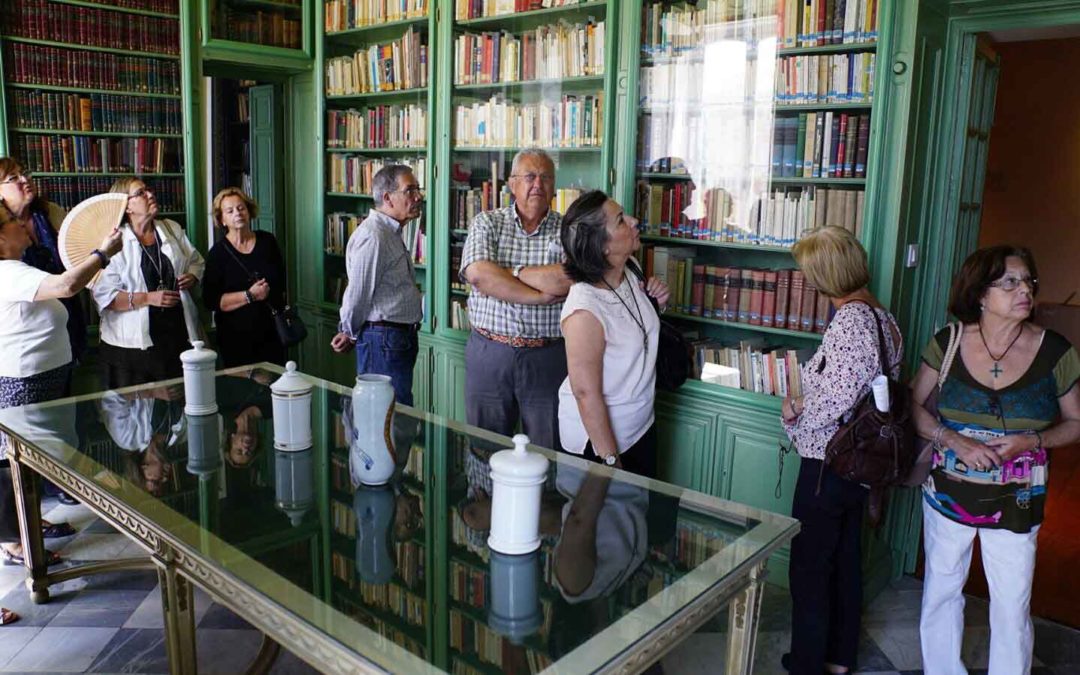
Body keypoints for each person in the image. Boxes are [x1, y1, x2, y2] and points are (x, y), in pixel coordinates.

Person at [912, 246, 1080, 674]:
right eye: (1010, 282)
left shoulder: (1055, 352)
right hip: (948, 495)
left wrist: (1033, 440)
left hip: (1017, 501)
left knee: (1011, 604)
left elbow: (1076, 422)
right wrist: (951, 438)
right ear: (980, 294)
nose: (1024, 290)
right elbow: (912, 406)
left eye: (1028, 281)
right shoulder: (947, 343)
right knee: (942, 591)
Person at [780, 226, 902, 675]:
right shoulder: (882, 317)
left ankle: (808, 664)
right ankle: (838, 658)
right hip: (859, 465)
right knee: (846, 562)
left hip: (827, 463)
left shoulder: (850, 320)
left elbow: (835, 400)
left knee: (810, 570)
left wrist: (795, 412)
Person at [0, 201, 122, 624]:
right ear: (0, 237)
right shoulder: (8, 273)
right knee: (17, 472)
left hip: (44, 380)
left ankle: (26, 541)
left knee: (32, 473)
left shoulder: (19, 267)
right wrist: (103, 253)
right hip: (25, 385)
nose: (23, 225)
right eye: (15, 222)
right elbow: (69, 285)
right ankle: (19, 546)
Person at [459, 148, 572, 449]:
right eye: (529, 176)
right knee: (485, 447)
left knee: (549, 450)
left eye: (546, 177)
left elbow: (565, 280)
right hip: (490, 353)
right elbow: (480, 274)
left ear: (553, 186)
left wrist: (508, 272)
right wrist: (537, 296)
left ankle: (546, 499)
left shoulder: (570, 230)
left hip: (548, 357)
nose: (537, 184)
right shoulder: (487, 223)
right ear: (511, 183)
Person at [556, 191, 669, 478]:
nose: (634, 221)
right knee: (605, 520)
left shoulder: (631, 270)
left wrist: (658, 304)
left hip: (640, 427)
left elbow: (635, 334)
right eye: (621, 221)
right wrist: (609, 460)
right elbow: (585, 392)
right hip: (600, 443)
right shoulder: (585, 311)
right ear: (602, 246)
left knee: (635, 519)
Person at [93, 177, 205, 388]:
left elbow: (196, 262)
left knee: (180, 409)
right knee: (135, 415)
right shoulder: (113, 242)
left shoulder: (171, 228)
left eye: (149, 190)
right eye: (141, 193)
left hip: (177, 338)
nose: (151, 195)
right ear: (126, 206)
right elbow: (104, 296)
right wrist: (148, 298)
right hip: (131, 349)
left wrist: (192, 275)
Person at [331, 165, 424, 406]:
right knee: (385, 415)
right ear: (387, 198)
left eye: (417, 189)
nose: (418, 197)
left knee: (397, 412)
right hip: (383, 339)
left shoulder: (390, 232)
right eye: (410, 190)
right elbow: (358, 295)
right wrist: (349, 331)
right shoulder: (374, 236)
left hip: (395, 338)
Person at [0, 159, 89, 379]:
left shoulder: (51, 213)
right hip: (27, 335)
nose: (25, 179)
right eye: (13, 178)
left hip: (68, 313)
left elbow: (79, 251)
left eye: (25, 173)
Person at [202, 187, 287, 367]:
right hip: (236, 338)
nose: (237, 214)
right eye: (230, 211)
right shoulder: (217, 254)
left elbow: (281, 282)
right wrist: (250, 295)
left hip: (272, 334)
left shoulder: (267, 241)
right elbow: (211, 300)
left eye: (241, 208)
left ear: (249, 211)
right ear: (222, 219)